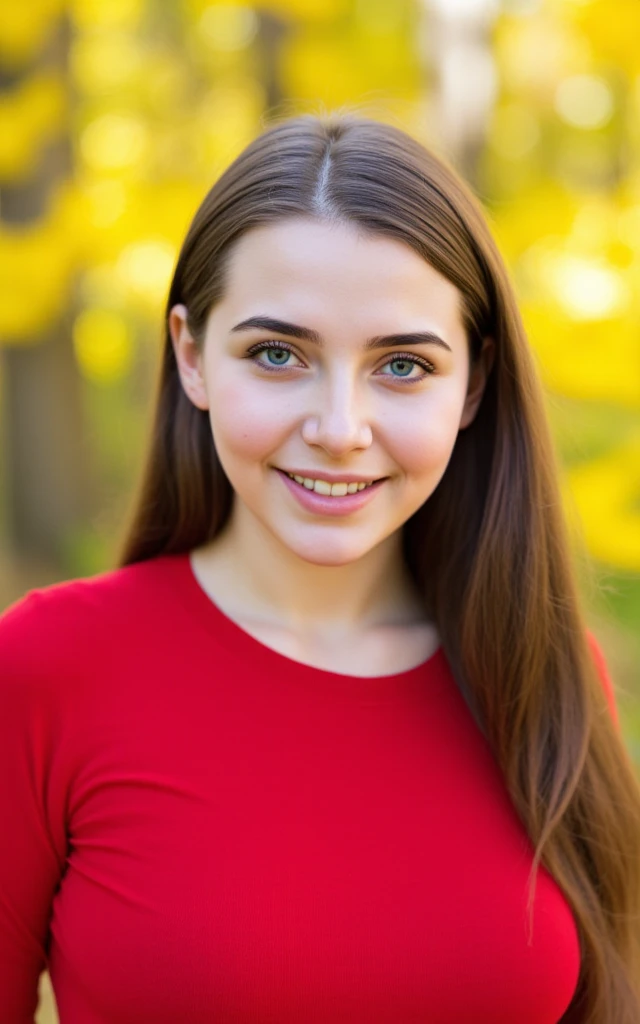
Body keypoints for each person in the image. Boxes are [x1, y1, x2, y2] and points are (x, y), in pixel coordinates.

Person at [1, 112, 639, 1024]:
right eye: (277, 354)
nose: (340, 428)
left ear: (475, 383)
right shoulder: (47, 668)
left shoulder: (549, 675)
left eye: (404, 366)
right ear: (191, 355)